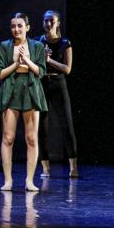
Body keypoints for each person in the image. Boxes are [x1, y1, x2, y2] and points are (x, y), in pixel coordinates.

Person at [0, 12, 48, 192]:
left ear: (27, 27)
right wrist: (16, 64)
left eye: (20, 26)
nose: (16, 29)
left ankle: (30, 180)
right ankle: (8, 180)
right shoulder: (5, 46)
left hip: (31, 90)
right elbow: (0, 73)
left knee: (31, 138)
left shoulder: (37, 46)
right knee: (8, 137)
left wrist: (26, 59)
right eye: (13, 26)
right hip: (11, 90)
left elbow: (41, 71)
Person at [37, 10, 78, 178]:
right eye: (45, 21)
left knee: (67, 125)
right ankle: (45, 168)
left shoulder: (65, 43)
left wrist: (49, 60)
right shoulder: (39, 42)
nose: (48, 24)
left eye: (51, 21)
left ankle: (73, 167)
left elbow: (67, 69)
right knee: (42, 128)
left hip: (58, 83)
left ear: (58, 23)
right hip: (42, 83)